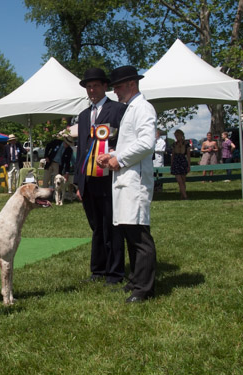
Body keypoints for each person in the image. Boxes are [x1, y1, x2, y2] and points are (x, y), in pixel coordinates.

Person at [96, 65, 157, 303]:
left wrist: (118, 158)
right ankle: (135, 281)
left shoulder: (143, 108)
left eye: (118, 86)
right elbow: (132, 143)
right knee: (129, 231)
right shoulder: (132, 108)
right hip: (126, 179)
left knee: (139, 235)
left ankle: (144, 288)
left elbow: (146, 143)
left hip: (136, 181)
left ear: (132, 84)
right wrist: (112, 153)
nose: (115, 91)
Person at [74, 67, 127, 285]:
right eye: (89, 86)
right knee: (96, 226)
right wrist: (78, 182)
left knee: (111, 226)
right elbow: (81, 148)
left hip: (109, 176)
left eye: (96, 85)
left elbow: (125, 141)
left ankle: (115, 273)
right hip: (89, 179)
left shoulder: (118, 110)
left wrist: (113, 155)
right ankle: (98, 270)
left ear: (106, 87)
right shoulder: (84, 115)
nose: (92, 90)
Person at [170, 129, 191, 200]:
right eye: (175, 136)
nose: (176, 137)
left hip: (183, 162)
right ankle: (185, 196)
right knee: (179, 181)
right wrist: (171, 164)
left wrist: (189, 165)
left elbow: (188, 156)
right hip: (176, 163)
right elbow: (172, 155)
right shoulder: (174, 144)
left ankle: (182, 195)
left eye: (177, 135)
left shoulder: (186, 144)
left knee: (183, 180)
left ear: (181, 135)